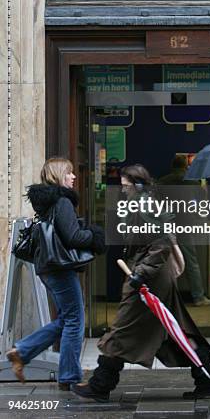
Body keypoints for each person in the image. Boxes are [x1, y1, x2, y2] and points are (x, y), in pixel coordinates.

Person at [72, 164, 210, 403]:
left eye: (125, 187)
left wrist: (140, 273)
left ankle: (101, 384)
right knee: (175, 331)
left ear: (138, 185)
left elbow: (161, 241)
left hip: (148, 279)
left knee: (122, 326)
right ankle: (208, 379)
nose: (123, 191)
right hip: (156, 277)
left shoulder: (145, 204)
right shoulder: (144, 202)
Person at [6, 157, 105, 390]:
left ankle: (22, 352)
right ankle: (69, 376)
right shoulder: (62, 202)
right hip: (59, 268)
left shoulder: (48, 203)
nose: (73, 177)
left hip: (48, 268)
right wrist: (94, 234)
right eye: (69, 173)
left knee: (65, 319)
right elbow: (72, 237)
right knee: (75, 321)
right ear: (59, 175)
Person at [158, 154, 210, 306]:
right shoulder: (193, 183)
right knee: (191, 262)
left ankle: (164, 298)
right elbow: (202, 201)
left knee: (165, 262)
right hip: (186, 225)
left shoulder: (162, 182)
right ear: (186, 166)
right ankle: (198, 297)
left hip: (166, 226)